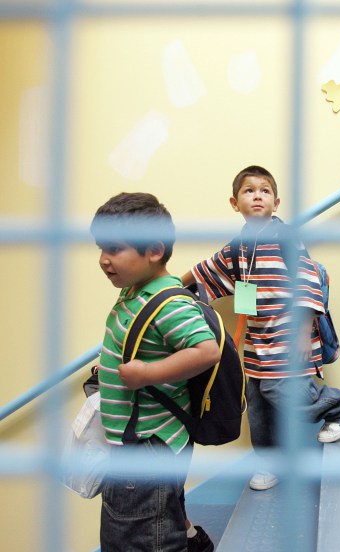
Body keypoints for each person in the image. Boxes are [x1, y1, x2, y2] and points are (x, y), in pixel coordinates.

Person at [182, 165, 340, 492]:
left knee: (280, 390)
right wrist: (170, 286)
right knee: (258, 405)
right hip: (258, 341)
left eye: (265, 191)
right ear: (234, 202)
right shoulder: (239, 246)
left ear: (276, 202)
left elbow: (307, 279)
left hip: (289, 334)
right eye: (249, 191)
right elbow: (206, 271)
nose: (257, 196)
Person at [90, 192, 220, 552]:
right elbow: (138, 341)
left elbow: (207, 350)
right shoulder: (136, 291)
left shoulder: (167, 304)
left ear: (154, 250)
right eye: (100, 248)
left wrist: (146, 373)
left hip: (148, 449)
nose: (103, 260)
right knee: (157, 522)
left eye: (114, 249)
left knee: (136, 538)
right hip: (149, 444)